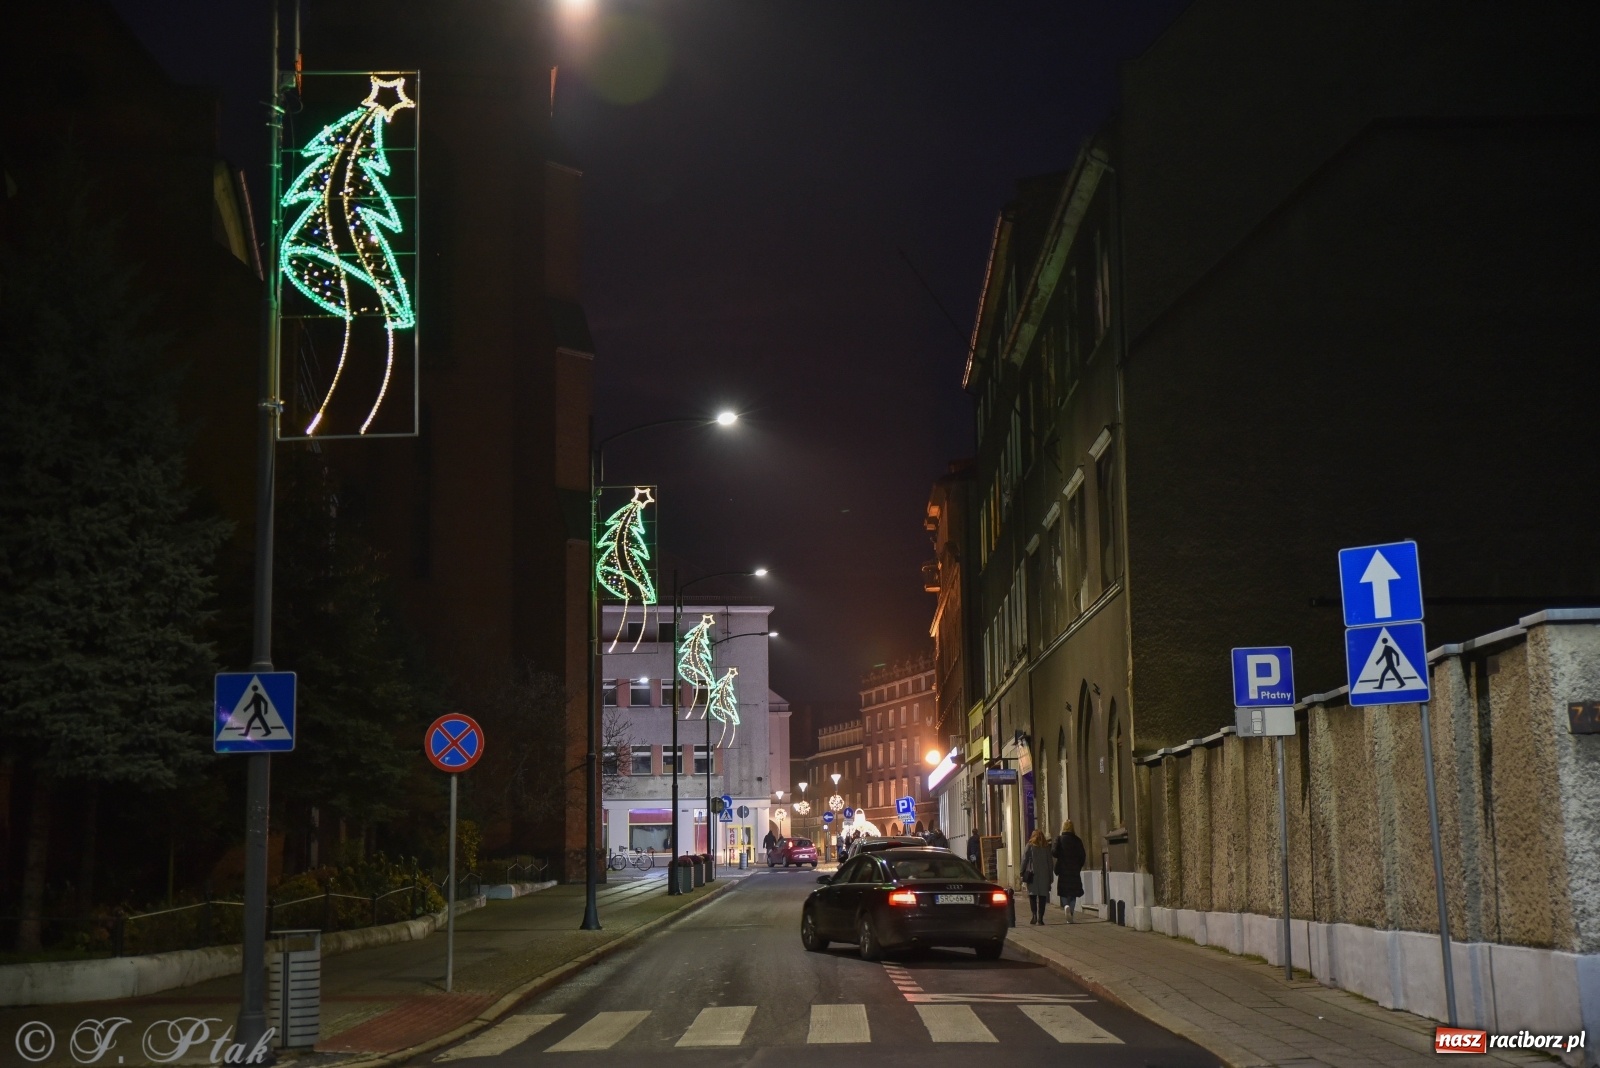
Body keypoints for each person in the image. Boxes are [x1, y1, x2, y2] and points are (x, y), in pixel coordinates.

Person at [1052, 819, 1087, 921]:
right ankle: (1071, 911)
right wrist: (1078, 866)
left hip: (1063, 869)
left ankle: (1066, 905)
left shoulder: (1059, 839)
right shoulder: (1077, 840)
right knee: (1073, 893)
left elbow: (1054, 852)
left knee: (1063, 892)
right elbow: (1082, 856)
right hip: (1074, 870)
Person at [1021, 828, 1054, 924]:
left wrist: (1021, 872)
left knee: (1032, 896)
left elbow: (1024, 860)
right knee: (1043, 897)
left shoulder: (1030, 846)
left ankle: (1034, 915)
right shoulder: (1046, 847)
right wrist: (1050, 877)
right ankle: (1041, 918)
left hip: (1032, 875)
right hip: (1044, 876)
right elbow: (1050, 863)